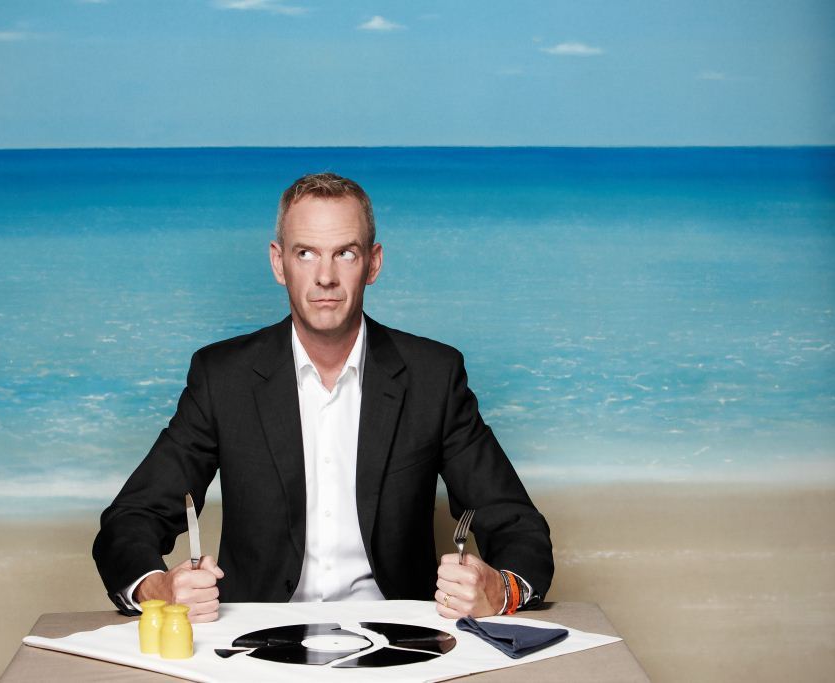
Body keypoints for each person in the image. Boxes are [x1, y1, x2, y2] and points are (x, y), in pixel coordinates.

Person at [93, 172, 553, 623]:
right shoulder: (223, 378)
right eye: (306, 253)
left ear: (373, 263)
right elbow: (130, 519)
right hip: (255, 637)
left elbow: (518, 525)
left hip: (402, 639)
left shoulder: (433, 376)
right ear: (279, 263)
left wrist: (502, 589)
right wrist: (158, 589)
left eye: (345, 253)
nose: (326, 276)